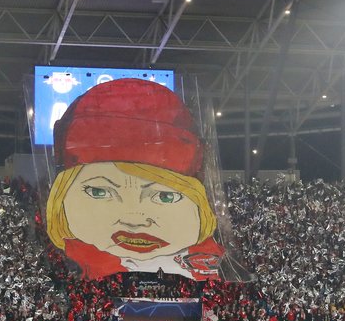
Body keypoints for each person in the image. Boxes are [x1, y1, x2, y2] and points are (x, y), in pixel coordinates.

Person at [46, 79, 224, 281]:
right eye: (99, 192)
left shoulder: (214, 268)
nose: (134, 220)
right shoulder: (67, 270)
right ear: (61, 195)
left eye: (165, 196)